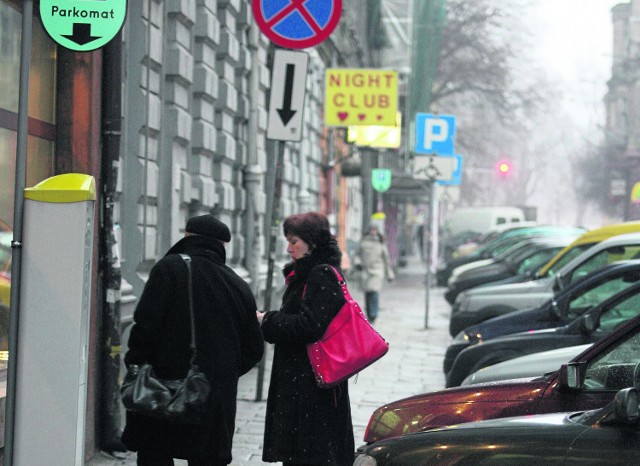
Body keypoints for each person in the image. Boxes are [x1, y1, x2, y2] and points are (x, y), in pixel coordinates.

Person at [121, 214, 264, 466]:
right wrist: (220, 374)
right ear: (222, 246)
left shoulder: (168, 269)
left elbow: (145, 327)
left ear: (187, 237)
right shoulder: (238, 284)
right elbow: (253, 348)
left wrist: (137, 364)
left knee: (156, 453)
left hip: (162, 392)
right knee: (206, 457)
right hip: (213, 400)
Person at [256, 212, 355, 466]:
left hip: (311, 385)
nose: (289, 248)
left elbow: (310, 326)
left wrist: (267, 319)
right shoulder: (308, 273)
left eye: (294, 241)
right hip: (304, 382)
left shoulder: (321, 274)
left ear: (312, 242)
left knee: (310, 456)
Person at [357, 224, 395, 322]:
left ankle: (373, 313)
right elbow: (357, 255)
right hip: (366, 271)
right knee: (368, 293)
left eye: (375, 230)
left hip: (377, 271)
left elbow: (386, 260)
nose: (373, 232)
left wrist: (389, 274)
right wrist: (358, 264)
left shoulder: (381, 244)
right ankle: (369, 313)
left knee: (374, 292)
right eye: (371, 230)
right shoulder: (363, 243)